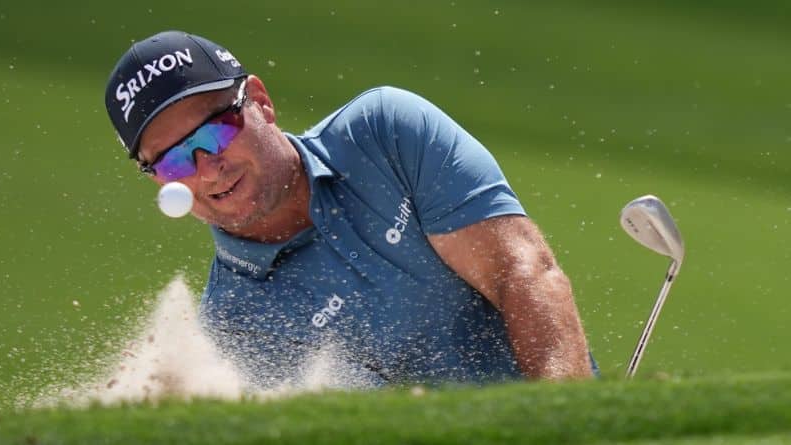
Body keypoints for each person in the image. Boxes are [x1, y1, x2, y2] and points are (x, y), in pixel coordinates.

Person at [105, 30, 594, 389]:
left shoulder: (385, 132)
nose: (207, 168)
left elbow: (521, 272)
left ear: (259, 101)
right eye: (172, 162)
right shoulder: (235, 329)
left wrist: (563, 421)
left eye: (217, 129)